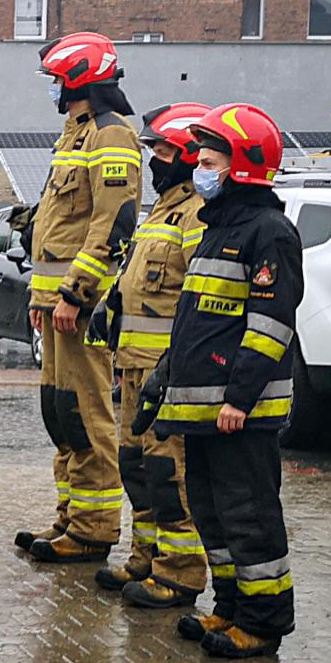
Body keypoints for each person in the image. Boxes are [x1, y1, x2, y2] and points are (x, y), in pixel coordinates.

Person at [138, 103, 300, 658]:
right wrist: (164, 380)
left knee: (250, 518)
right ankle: (229, 607)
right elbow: (195, 323)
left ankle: (262, 622)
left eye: (208, 162)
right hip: (204, 411)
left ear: (243, 167)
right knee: (213, 514)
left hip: (239, 415)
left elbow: (270, 325)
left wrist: (240, 399)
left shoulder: (269, 233)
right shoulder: (217, 229)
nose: (198, 171)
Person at [21, 31, 141, 564]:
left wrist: (75, 293)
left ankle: (94, 528)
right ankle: (70, 514)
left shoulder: (111, 136)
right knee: (61, 411)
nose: (51, 88)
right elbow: (56, 227)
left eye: (55, 79)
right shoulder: (74, 136)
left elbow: (111, 224)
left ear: (77, 79)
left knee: (87, 412)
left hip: (81, 307)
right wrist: (41, 296)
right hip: (56, 306)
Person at [97, 102, 213, 607]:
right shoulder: (161, 209)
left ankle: (179, 572)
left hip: (166, 368)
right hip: (133, 363)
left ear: (187, 154)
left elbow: (198, 293)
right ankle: (145, 557)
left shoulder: (195, 213)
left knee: (168, 473)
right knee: (135, 465)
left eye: (163, 151)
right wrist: (109, 306)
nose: (154, 160)